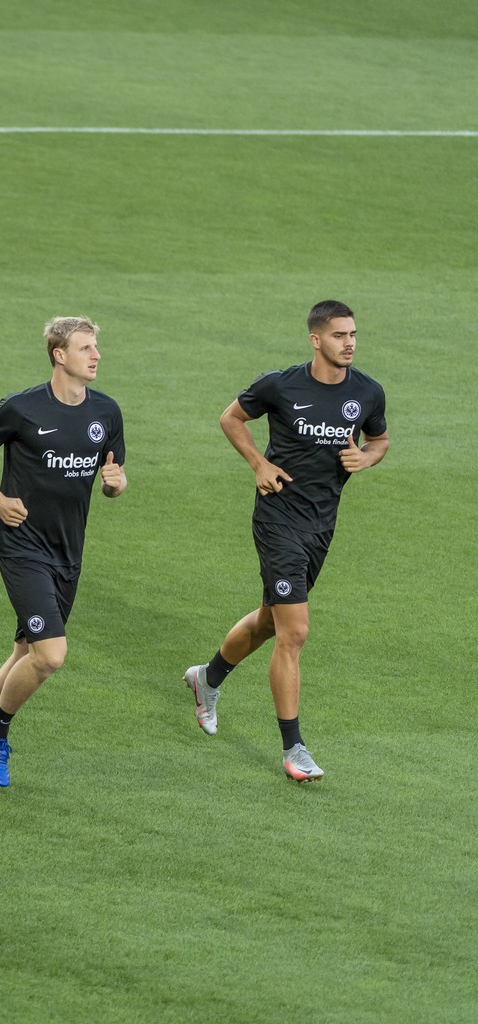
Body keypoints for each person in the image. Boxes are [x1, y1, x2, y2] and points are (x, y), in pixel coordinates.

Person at [181, 300, 388, 781]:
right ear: (316, 339)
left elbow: (379, 440)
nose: (350, 342)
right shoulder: (281, 384)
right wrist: (259, 464)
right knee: (295, 632)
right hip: (278, 519)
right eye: (339, 335)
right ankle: (294, 749)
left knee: (272, 622)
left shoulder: (368, 392)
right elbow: (231, 418)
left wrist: (368, 458)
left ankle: (206, 679)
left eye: (353, 334)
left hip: (322, 524)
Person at [0, 317, 126, 788]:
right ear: (59, 355)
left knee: (24, 653)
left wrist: (115, 484)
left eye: (96, 347)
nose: (96, 355)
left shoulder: (106, 412)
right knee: (50, 655)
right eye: (86, 348)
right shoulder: (23, 408)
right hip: (23, 548)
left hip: (69, 551)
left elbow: (114, 477)